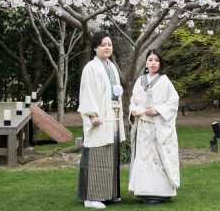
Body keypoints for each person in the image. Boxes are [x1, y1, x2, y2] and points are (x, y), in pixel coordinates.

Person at [77, 31, 125, 209]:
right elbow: (87, 92)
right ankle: (91, 197)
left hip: (112, 113)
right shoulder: (91, 67)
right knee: (97, 155)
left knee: (110, 154)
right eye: (103, 44)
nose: (107, 47)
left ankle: (108, 193)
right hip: (99, 115)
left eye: (109, 44)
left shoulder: (111, 66)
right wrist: (92, 114)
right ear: (95, 47)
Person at [128, 49, 180, 204]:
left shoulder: (165, 81)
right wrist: (133, 110)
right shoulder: (140, 81)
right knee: (144, 160)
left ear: (160, 63)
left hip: (157, 128)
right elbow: (133, 101)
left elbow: (173, 102)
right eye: (150, 60)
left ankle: (161, 193)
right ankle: (145, 192)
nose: (153, 63)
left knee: (158, 159)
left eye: (156, 60)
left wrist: (158, 110)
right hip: (142, 127)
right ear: (145, 62)